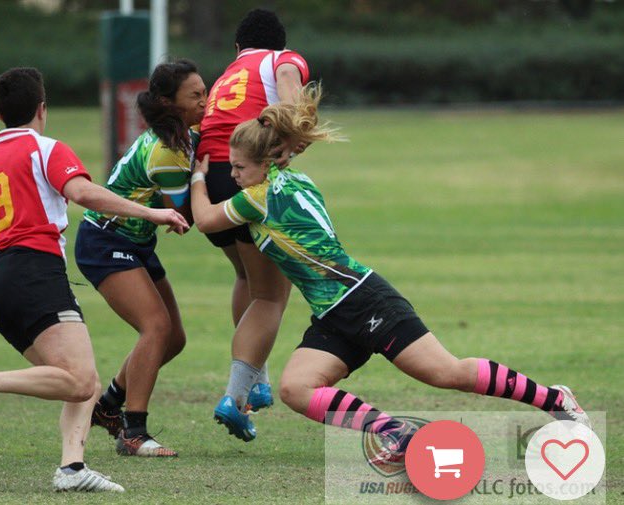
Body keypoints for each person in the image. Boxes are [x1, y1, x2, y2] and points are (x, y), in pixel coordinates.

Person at [189, 83, 590, 455]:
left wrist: (199, 177)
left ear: (264, 163)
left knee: (447, 373)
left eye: (238, 168)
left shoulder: (259, 197)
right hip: (333, 313)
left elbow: (205, 220)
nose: (234, 176)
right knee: (297, 388)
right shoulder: (292, 180)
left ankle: (556, 399)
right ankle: (395, 432)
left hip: (364, 300)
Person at [0, 67, 189, 492]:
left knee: (79, 380)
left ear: (0, 115)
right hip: (34, 272)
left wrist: (4, 244)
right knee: (81, 381)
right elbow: (81, 193)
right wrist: (152, 212)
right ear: (42, 108)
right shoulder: (46, 149)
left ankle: (72, 469)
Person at [75, 60, 205, 457]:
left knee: (173, 338)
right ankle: (133, 434)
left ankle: (109, 405)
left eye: (206, 91)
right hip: (105, 240)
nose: (206, 100)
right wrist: (206, 175)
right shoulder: (167, 151)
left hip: (135, 243)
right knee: (156, 327)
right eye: (195, 96)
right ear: (169, 103)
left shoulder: (181, 136)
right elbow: (183, 214)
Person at [197, 8, 311, 441]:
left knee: (246, 276)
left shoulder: (229, 72)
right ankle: (235, 397)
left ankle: (258, 382)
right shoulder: (284, 58)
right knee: (272, 296)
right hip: (247, 171)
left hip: (210, 176)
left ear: (237, 47)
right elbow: (288, 97)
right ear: (279, 43)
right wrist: (289, 141)